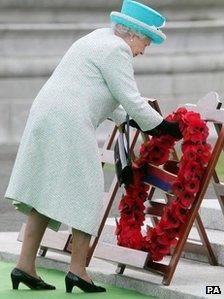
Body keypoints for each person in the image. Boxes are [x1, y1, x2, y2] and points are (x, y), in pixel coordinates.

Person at [3, 0, 181, 294]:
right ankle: (78, 271)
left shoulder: (97, 37)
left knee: (45, 190)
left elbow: (105, 94)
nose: (144, 51)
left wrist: (135, 120)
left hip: (47, 114)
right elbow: (130, 98)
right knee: (87, 191)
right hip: (69, 121)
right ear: (134, 35)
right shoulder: (118, 50)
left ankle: (25, 266)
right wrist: (165, 126)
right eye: (146, 43)